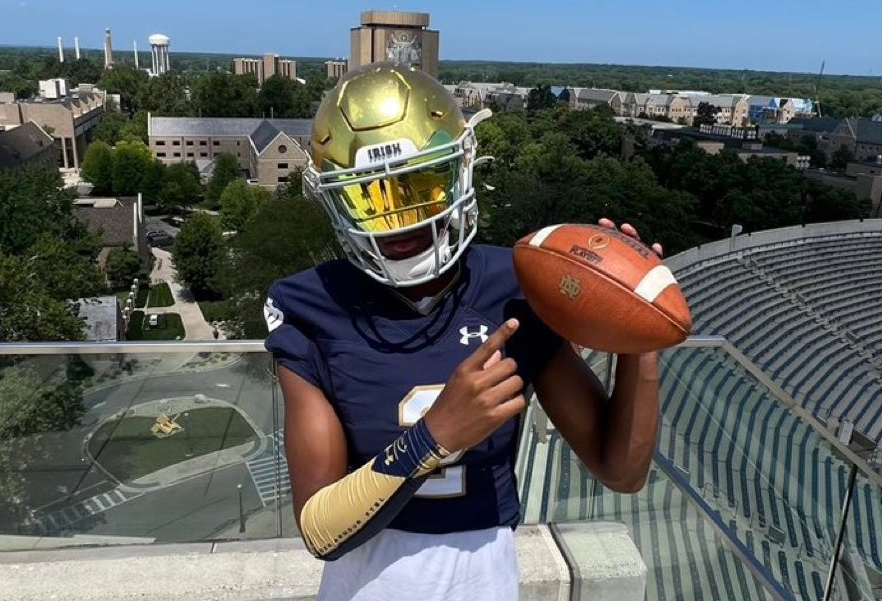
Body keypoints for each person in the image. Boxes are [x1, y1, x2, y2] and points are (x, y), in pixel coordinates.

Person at [264, 61, 662, 601]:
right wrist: (437, 434)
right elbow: (320, 529)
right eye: (370, 196)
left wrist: (641, 328)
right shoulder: (313, 305)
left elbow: (622, 470)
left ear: (460, 170)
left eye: (418, 187)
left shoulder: (516, 286)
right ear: (336, 200)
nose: (399, 219)